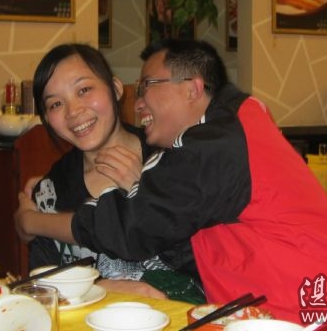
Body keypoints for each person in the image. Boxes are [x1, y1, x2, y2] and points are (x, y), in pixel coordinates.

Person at [16, 39, 327, 330]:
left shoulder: (215, 143)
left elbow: (133, 228)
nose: (140, 101)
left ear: (192, 89)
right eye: (54, 104)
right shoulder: (228, 127)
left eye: (147, 86)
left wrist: (32, 222)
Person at [15, 43, 203, 302]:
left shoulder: (171, 158)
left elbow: (205, 262)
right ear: (47, 118)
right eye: (56, 104)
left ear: (115, 88)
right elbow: (44, 288)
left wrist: (148, 196)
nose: (73, 111)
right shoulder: (50, 192)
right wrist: (100, 288)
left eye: (84, 90)